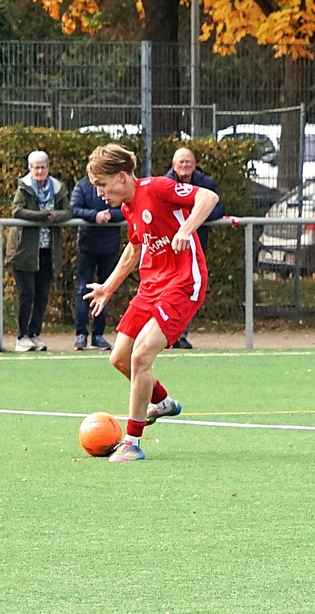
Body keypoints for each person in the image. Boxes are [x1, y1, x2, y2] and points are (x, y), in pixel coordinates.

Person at [84, 144, 218, 462]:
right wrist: (108, 288)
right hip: (151, 286)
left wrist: (186, 228)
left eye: (102, 185)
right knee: (119, 358)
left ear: (121, 177)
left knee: (141, 355)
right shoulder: (129, 207)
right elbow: (134, 249)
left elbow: (208, 197)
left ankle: (131, 442)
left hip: (183, 282)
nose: (100, 193)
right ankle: (163, 402)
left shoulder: (156, 187)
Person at [5, 150, 73, 352]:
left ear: (48, 168)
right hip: (25, 249)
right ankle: (22, 335)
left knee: (42, 293)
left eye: (43, 167)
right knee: (27, 293)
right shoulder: (24, 187)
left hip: (48, 249)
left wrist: (54, 216)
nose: (40, 171)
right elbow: (17, 210)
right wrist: (41, 216)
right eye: (36, 167)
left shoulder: (58, 188)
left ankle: (35, 333)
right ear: (30, 169)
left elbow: (68, 211)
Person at [164, 147, 225, 349]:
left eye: (188, 162)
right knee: (168, 288)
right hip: (170, 245)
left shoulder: (206, 183)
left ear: (195, 164)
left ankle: (180, 334)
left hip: (196, 245)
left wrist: (194, 218)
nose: (185, 165)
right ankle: (166, 333)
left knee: (189, 289)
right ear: (174, 165)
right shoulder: (166, 184)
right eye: (181, 162)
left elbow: (218, 208)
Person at [70, 175, 122, 351]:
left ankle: (98, 335)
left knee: (106, 288)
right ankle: (81, 335)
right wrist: (95, 216)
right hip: (86, 245)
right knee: (83, 289)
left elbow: (126, 208)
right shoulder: (82, 186)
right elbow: (74, 209)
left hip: (110, 246)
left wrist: (110, 215)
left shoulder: (116, 185)